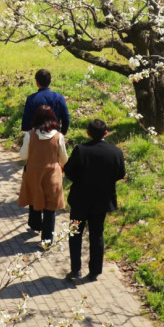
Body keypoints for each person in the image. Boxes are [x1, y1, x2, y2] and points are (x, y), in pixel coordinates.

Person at [63, 118, 126, 282]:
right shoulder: (116, 152)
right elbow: (120, 174)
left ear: (88, 133)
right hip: (102, 201)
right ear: (106, 133)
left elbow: (69, 171)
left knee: (75, 233)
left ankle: (75, 269)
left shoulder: (81, 150)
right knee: (97, 235)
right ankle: (95, 271)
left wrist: (79, 179)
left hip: (80, 200)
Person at [18, 104, 68, 248]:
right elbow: (64, 158)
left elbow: (23, 155)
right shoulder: (58, 136)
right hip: (52, 174)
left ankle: (35, 225)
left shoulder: (30, 135)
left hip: (33, 173)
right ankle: (47, 240)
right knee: (50, 208)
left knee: (34, 200)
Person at [21, 69, 70, 135]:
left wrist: (29, 135)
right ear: (50, 81)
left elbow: (26, 121)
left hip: (36, 136)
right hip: (54, 135)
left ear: (37, 82)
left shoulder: (31, 99)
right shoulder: (58, 97)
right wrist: (63, 132)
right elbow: (66, 117)